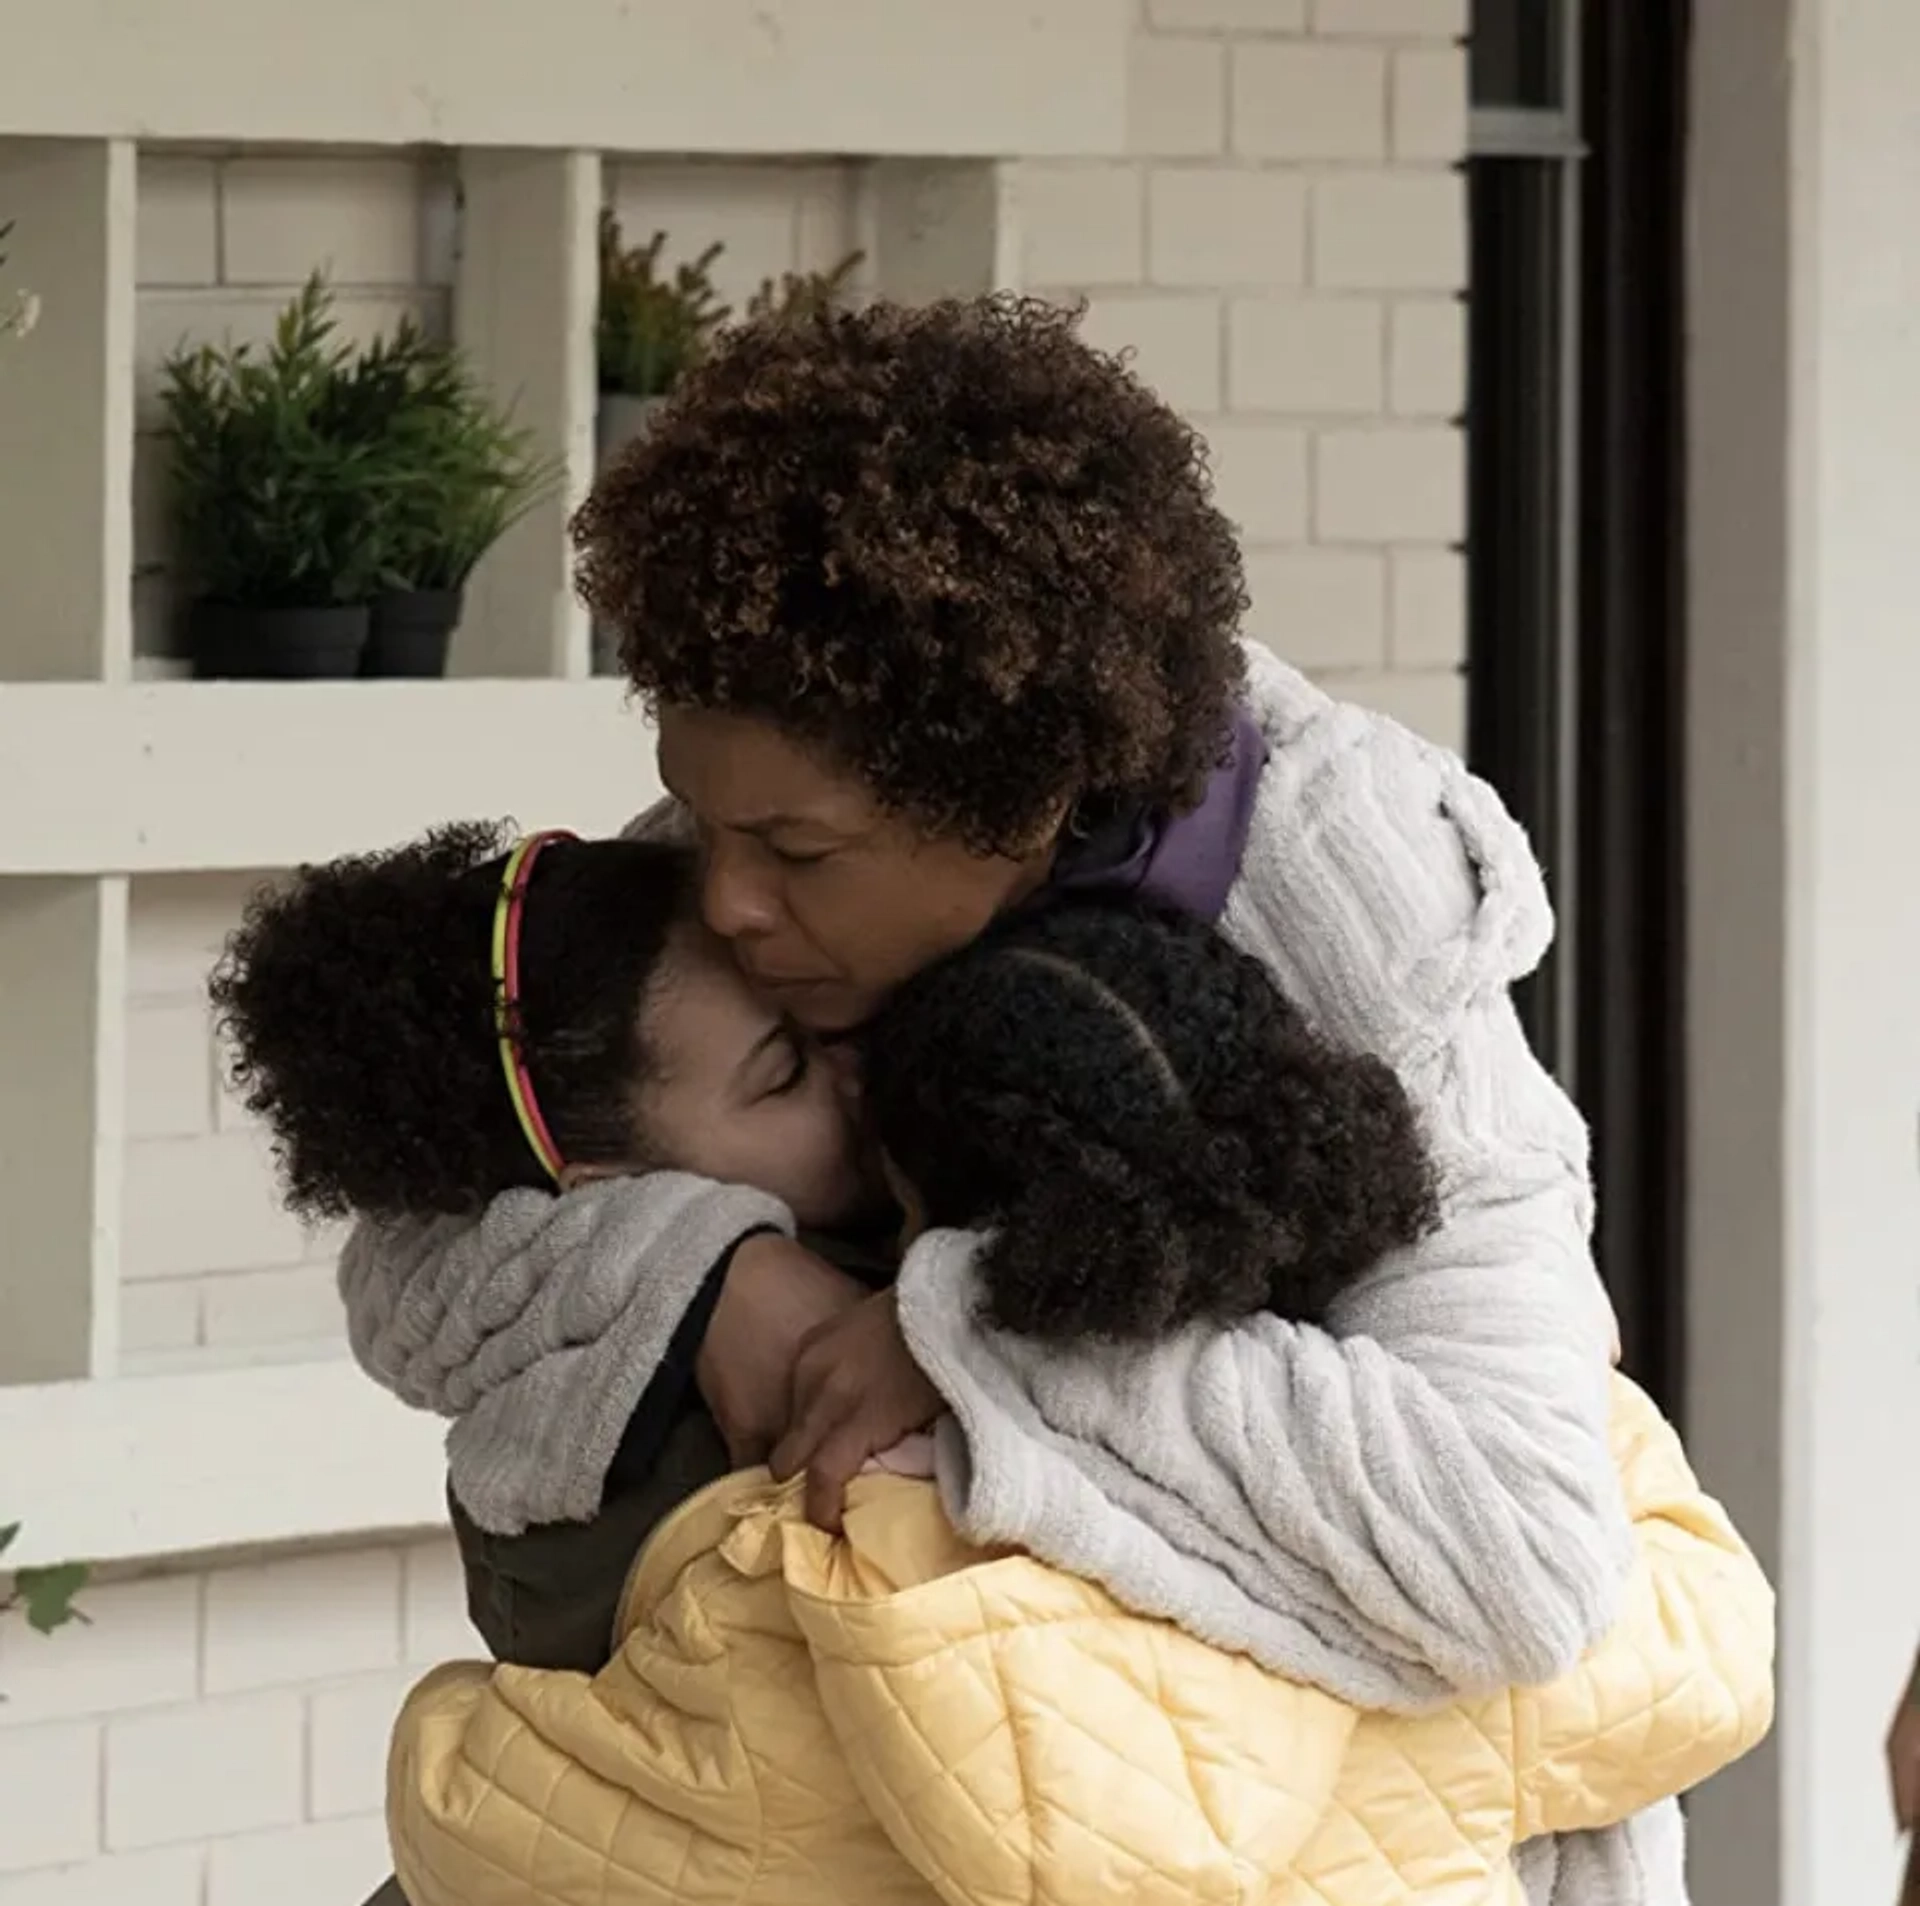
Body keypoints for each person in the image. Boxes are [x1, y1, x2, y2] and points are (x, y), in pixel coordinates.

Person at [337, 295, 1764, 1898]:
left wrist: (970, 1330)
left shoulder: (1356, 922)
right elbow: (409, 1251)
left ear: (1023, 798)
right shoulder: (770, 834)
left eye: (794, 852)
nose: (721, 900)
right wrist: (711, 1278)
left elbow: (1515, 1545)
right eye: (698, 810)